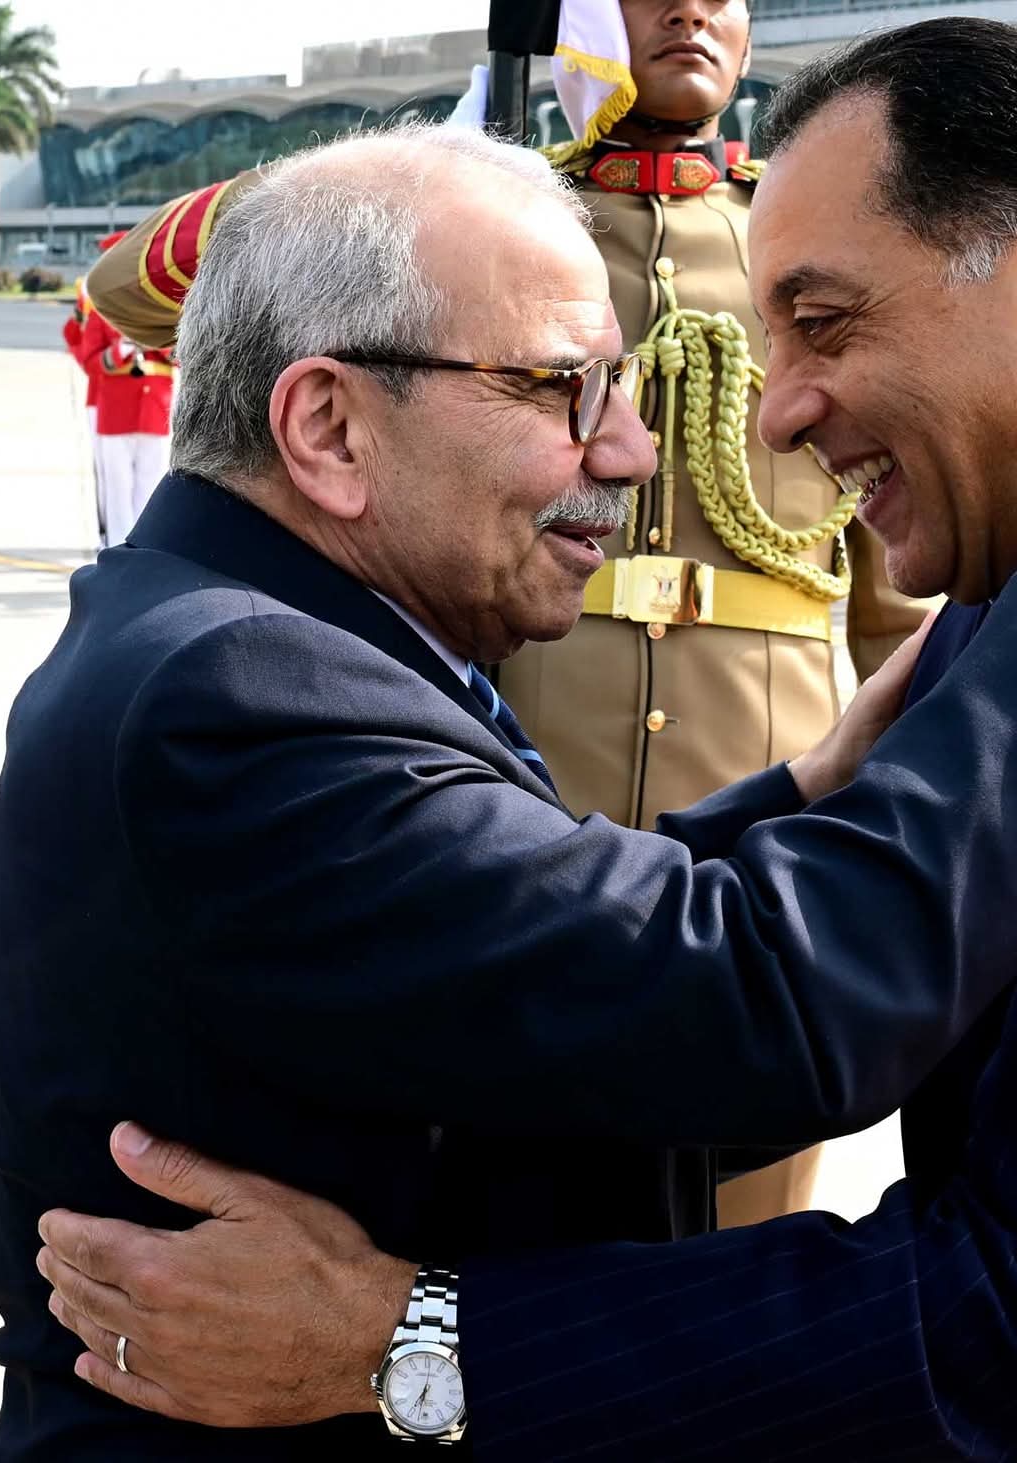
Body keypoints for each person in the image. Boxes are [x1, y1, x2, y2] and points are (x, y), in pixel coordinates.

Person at [36, 23, 1017, 1463]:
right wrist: (828, 776)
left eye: (821, 322)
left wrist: (405, 1340)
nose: (776, 410)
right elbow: (700, 984)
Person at [84, 4, 931, 1225]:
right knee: (496, 1205)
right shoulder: (494, 230)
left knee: (737, 1217)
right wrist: (415, 176)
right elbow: (133, 289)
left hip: (763, 769)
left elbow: (892, 583)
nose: (688, 9)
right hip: (520, 787)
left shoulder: (801, 261)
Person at [75, 232, 175, 548]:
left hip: (155, 410)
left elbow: (180, 354)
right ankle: (118, 547)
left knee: (152, 484)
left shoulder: (163, 310)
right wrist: (119, 351)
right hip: (116, 412)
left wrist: (153, 343)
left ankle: (146, 547)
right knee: (117, 488)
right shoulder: (102, 310)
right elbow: (90, 360)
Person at [60, 277, 105, 543]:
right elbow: (76, 341)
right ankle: (105, 530)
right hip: (102, 400)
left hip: (147, 404)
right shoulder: (92, 299)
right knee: (107, 475)